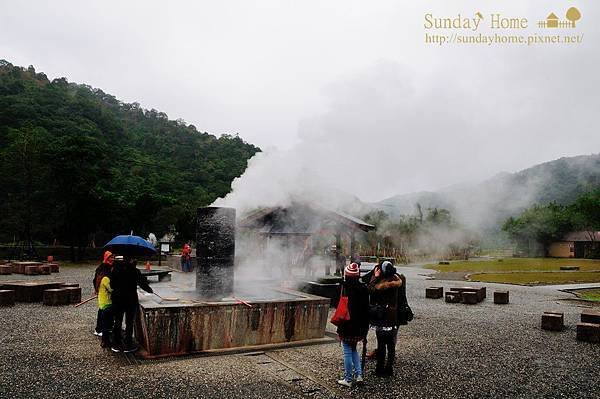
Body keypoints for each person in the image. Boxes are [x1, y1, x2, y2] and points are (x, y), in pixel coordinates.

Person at [110, 256, 153, 353]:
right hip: (130, 300)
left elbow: (111, 285)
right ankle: (128, 344)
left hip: (117, 299)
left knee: (117, 320)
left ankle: (116, 343)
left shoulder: (115, 269)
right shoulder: (135, 271)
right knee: (129, 322)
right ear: (131, 260)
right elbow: (143, 284)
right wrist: (150, 291)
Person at [336, 263, 370, 387]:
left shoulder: (345, 288)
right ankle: (359, 375)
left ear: (347, 275)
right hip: (360, 327)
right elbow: (367, 309)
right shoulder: (364, 289)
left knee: (347, 352)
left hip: (347, 325)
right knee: (354, 349)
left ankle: (348, 379)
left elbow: (337, 304)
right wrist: (365, 328)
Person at [367, 260, 402, 377]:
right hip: (393, 317)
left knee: (381, 345)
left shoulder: (381, 285)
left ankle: (379, 370)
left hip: (382, 317)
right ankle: (389, 369)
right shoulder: (397, 281)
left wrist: (375, 277)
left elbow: (370, 289)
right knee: (391, 346)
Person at [93, 251, 114, 336]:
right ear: (106, 258)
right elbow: (96, 280)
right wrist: (97, 289)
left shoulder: (107, 267)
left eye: (113, 257)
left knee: (103, 311)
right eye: (111, 257)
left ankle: (103, 328)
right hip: (105, 293)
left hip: (103, 293)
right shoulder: (105, 267)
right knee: (104, 312)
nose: (112, 259)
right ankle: (100, 329)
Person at [97, 264, 114, 348]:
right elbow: (111, 289)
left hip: (102, 303)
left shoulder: (100, 278)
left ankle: (105, 341)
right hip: (107, 303)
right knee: (107, 324)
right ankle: (105, 341)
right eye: (111, 268)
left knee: (105, 323)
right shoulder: (106, 279)